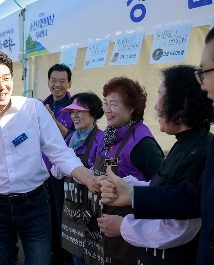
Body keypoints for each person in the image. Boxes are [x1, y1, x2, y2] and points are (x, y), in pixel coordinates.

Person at [0, 49, 101, 265]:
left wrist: (89, 179)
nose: (2, 86)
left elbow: (60, 153)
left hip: (35, 204)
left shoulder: (32, 109)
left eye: (6, 78)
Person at [100, 27, 214, 265]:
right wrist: (129, 186)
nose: (156, 107)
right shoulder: (186, 145)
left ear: (181, 104)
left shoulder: (199, 151)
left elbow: (182, 223)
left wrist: (125, 224)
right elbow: (165, 188)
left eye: (161, 98)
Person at [83, 77, 164, 265]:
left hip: (128, 232)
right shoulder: (109, 135)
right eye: (105, 103)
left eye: (114, 104)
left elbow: (161, 190)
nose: (107, 110)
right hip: (103, 227)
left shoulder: (143, 143)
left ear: (132, 108)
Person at [50, 92, 104, 265]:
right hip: (71, 207)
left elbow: (100, 174)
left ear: (94, 113)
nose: (74, 115)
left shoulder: (101, 139)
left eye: (79, 111)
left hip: (91, 209)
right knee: (74, 252)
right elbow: (56, 171)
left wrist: (71, 168)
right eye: (72, 111)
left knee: (90, 253)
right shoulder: (70, 138)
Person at [42, 63, 75, 265]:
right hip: (42, 172)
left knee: (64, 217)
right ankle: (52, 254)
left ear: (69, 83)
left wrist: (54, 122)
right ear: (48, 82)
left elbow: (77, 137)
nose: (57, 85)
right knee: (47, 217)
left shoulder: (76, 107)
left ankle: (65, 257)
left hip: (64, 172)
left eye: (62, 81)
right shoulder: (40, 105)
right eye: (54, 80)